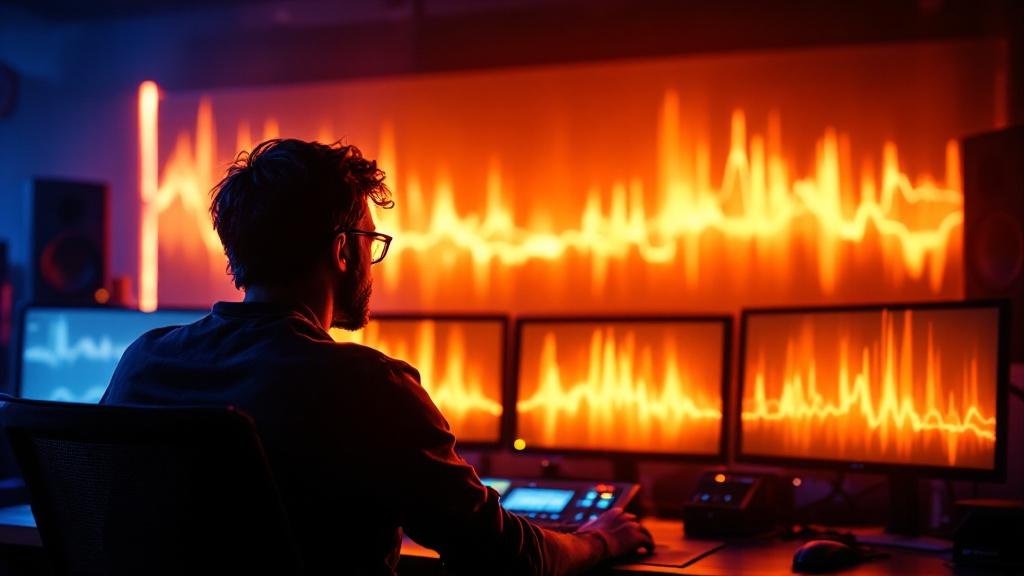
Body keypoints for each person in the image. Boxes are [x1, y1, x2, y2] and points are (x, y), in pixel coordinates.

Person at [101, 138, 654, 575]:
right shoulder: (366, 385)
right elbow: (509, 557)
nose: (372, 259)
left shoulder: (146, 360)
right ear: (343, 250)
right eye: (371, 241)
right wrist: (600, 540)